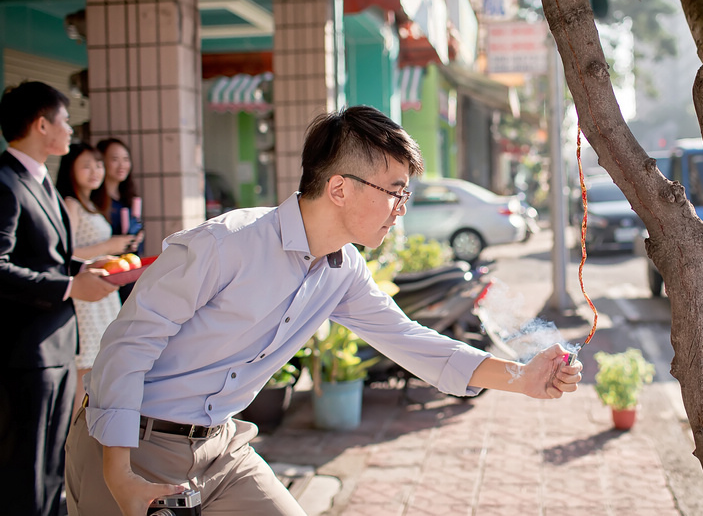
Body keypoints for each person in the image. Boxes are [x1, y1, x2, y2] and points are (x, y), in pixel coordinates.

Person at [65, 105, 583, 516]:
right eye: (395, 193)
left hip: (223, 449)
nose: (401, 209)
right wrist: (119, 473)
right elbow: (127, 345)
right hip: (132, 445)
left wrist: (522, 376)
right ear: (339, 187)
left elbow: (411, 341)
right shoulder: (225, 244)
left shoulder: (343, 271)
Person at [0, 81, 119, 516]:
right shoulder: (6, 182)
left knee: (51, 468)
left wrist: (83, 272)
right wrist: (70, 287)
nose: (70, 130)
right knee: (24, 472)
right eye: (65, 120)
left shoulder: (40, 181)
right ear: (41, 123)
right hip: (25, 351)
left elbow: (49, 260)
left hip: (56, 345)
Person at [56, 143, 141, 412]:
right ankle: (73, 445)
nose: (95, 171)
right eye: (86, 166)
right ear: (70, 170)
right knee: (86, 374)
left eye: (98, 165)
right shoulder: (70, 204)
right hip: (86, 299)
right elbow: (65, 253)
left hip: (102, 298)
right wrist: (109, 247)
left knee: (97, 371)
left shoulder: (90, 203)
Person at [92, 137, 142, 302]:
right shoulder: (93, 202)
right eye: (115, 159)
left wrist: (136, 238)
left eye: (126, 159)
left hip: (128, 271)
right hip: (105, 273)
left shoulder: (128, 197)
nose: (122, 165)